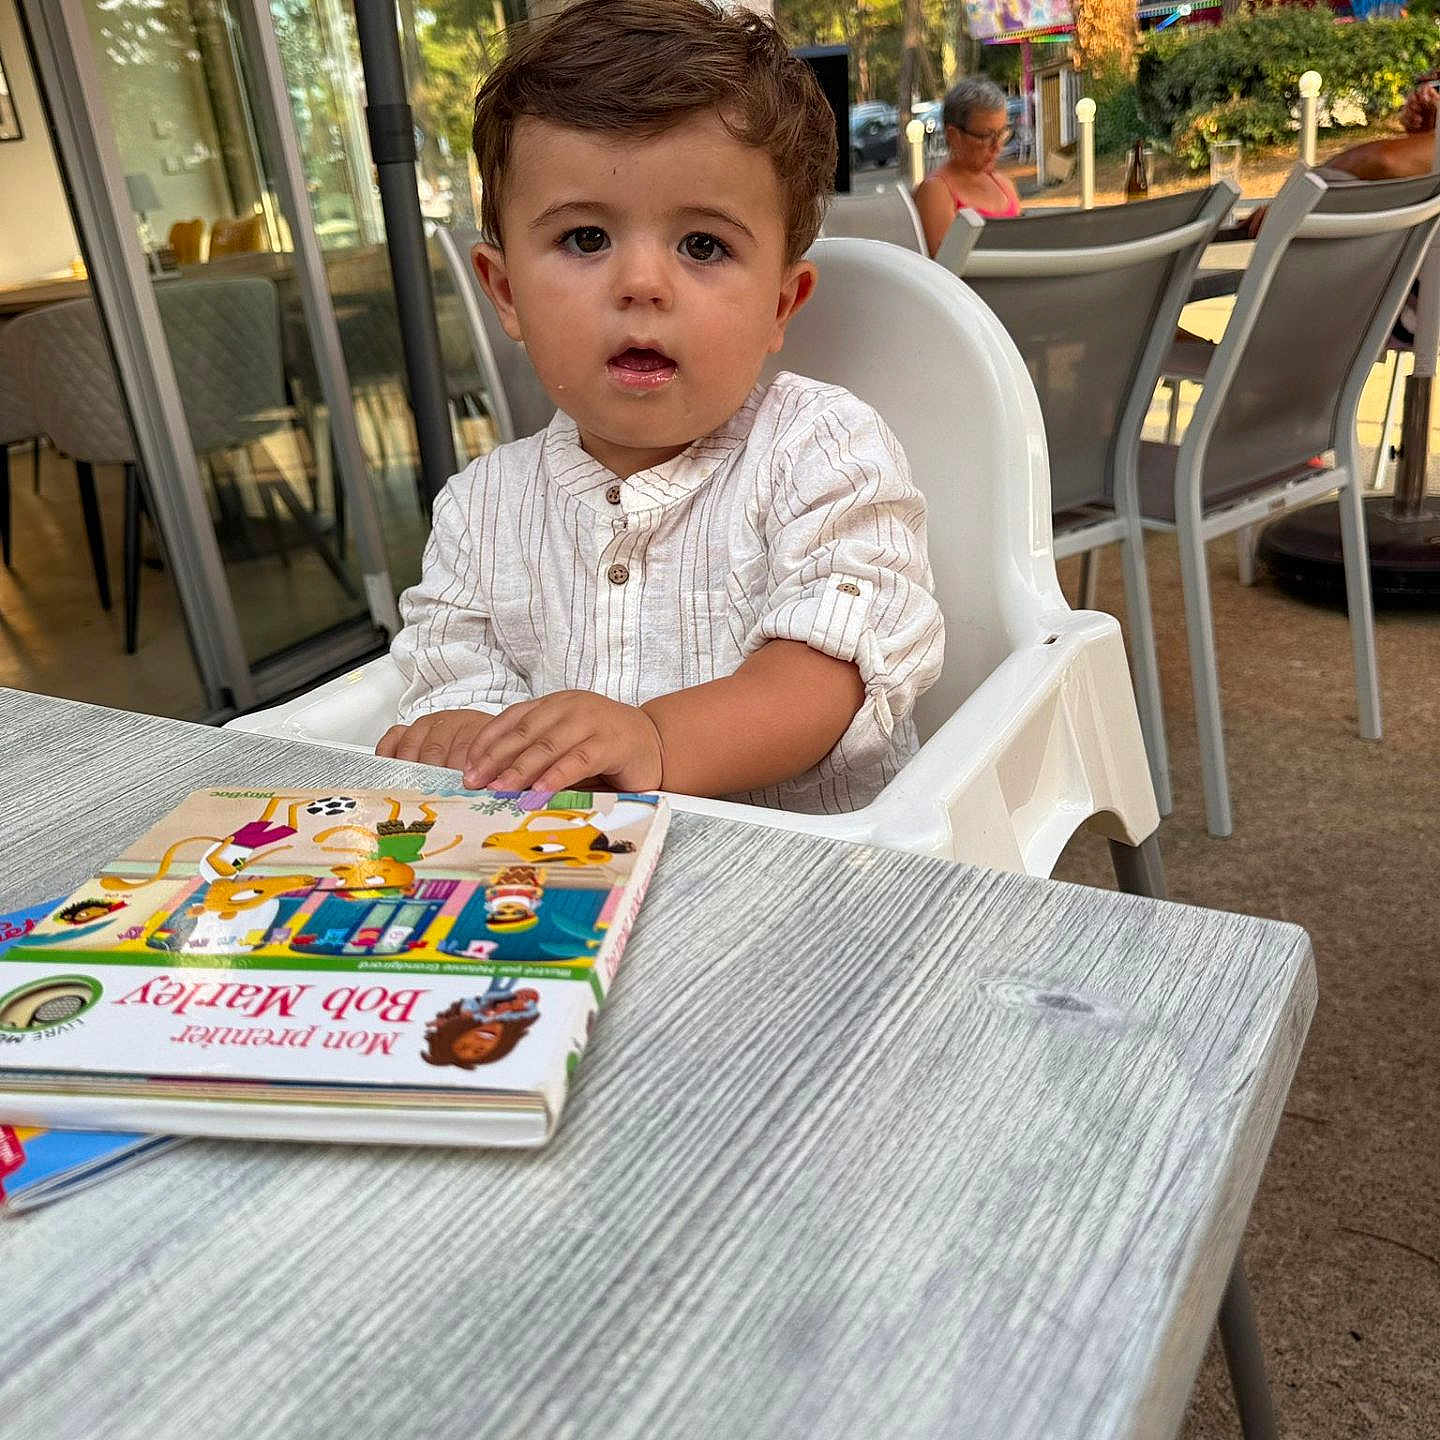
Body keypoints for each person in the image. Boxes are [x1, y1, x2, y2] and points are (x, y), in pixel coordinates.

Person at [376, 0, 944, 817]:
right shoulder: (480, 510)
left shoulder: (821, 449)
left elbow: (829, 673)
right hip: (561, 895)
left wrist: (655, 739)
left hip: (807, 878)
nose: (641, 284)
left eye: (702, 245)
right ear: (505, 292)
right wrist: (458, 732)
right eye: (584, 239)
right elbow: (453, 673)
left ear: (782, 304)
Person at [912, 77, 1022, 258]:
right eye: (985, 136)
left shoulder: (1004, 186)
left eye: (1002, 133)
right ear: (954, 136)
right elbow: (946, 268)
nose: (997, 147)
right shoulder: (936, 191)